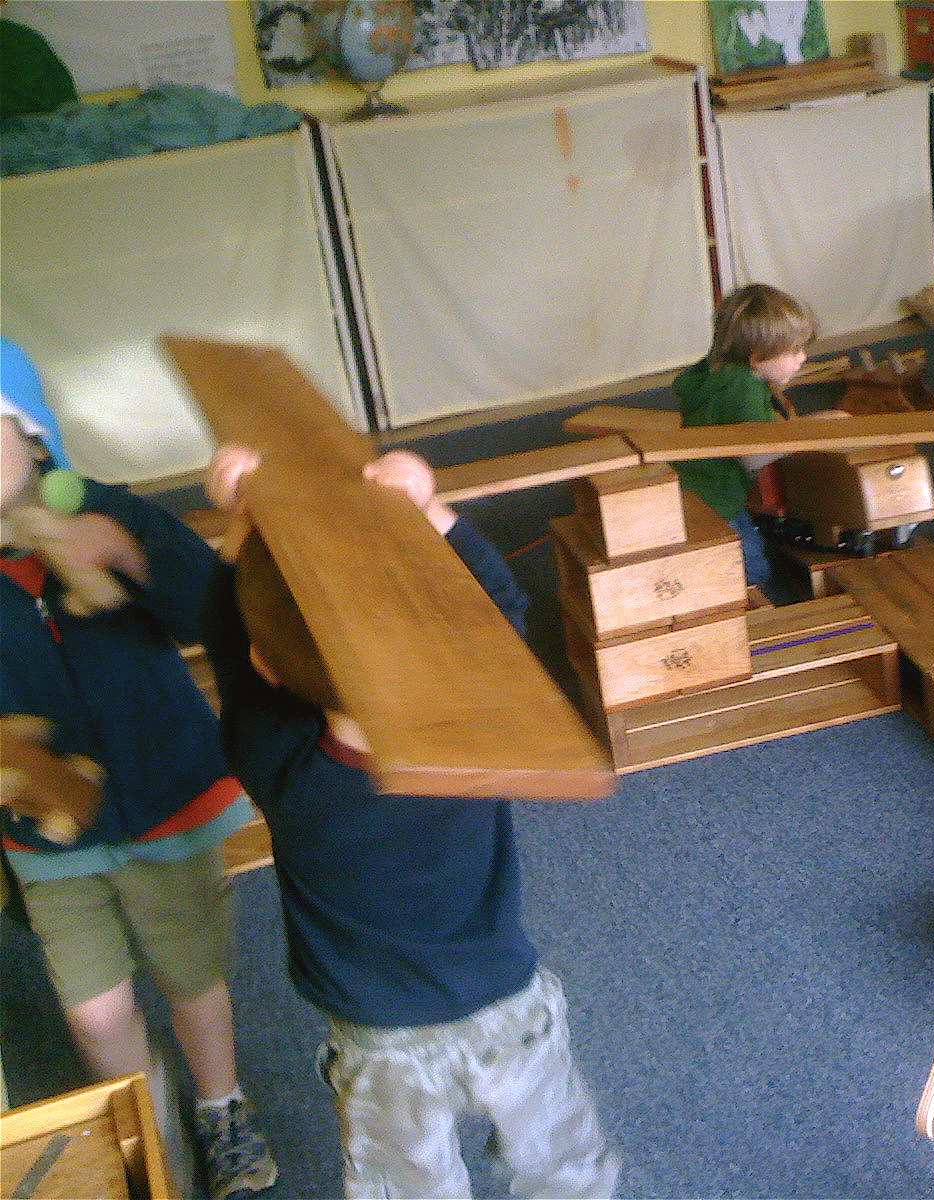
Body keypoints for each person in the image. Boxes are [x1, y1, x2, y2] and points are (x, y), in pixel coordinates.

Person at [201, 443, 619, 1200]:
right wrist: (430, 511)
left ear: (271, 665)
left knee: (406, 1184)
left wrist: (243, 526)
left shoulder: (277, 762)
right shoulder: (477, 723)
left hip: (379, 1036)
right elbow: (499, 608)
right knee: (560, 1164)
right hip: (505, 1003)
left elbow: (230, 643)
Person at [0, 338, 277, 1200]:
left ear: (30, 436)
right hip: (46, 830)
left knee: (191, 976)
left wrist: (129, 553)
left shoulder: (108, 510)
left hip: (164, 799)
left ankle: (221, 1108)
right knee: (93, 1010)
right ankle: (146, 1131)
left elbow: (211, 614)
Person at [674, 282, 837, 596]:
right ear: (757, 356)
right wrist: (814, 430)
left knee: (750, 554)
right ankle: (754, 616)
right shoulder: (743, 389)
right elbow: (752, 455)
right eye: (794, 350)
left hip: (700, 493)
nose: (803, 358)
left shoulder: (718, 375)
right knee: (752, 570)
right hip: (714, 503)